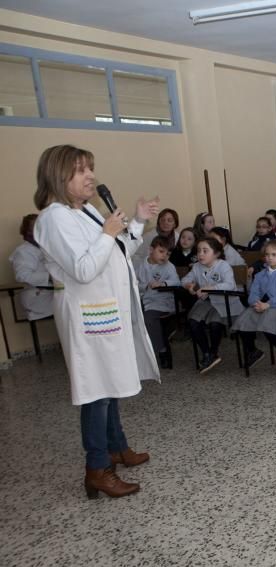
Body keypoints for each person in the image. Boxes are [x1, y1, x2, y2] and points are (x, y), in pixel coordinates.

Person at [32, 144, 159, 499]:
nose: (90, 176)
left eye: (90, 168)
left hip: (106, 312)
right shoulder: (53, 218)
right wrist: (107, 232)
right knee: (96, 392)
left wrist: (134, 222)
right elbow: (84, 269)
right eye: (79, 170)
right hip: (88, 318)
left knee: (111, 386)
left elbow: (118, 251)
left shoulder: (85, 209)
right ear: (58, 176)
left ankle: (118, 447)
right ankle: (97, 469)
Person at [232, 240, 276, 373]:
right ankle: (253, 351)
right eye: (267, 255)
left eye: (274, 254)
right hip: (262, 307)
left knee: (267, 325)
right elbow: (253, 293)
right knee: (243, 321)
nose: (269, 257)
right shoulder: (260, 274)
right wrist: (256, 303)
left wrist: (268, 304)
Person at [182, 236, 243, 373]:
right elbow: (185, 279)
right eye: (198, 251)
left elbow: (229, 285)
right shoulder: (197, 266)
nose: (200, 254)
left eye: (205, 251)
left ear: (216, 253)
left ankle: (213, 352)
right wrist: (189, 286)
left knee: (215, 323)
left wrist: (209, 288)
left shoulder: (223, 265)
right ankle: (207, 353)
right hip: (207, 302)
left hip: (225, 302)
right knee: (193, 321)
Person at [135, 236, 180, 368]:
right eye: (161, 251)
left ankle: (161, 351)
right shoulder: (142, 265)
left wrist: (163, 283)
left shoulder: (169, 266)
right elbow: (134, 283)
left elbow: (177, 282)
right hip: (145, 300)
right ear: (151, 250)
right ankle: (139, 354)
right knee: (134, 316)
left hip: (163, 302)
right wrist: (146, 286)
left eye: (167, 253)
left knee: (148, 317)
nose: (164, 256)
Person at [8, 213, 54, 321]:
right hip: (38, 296)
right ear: (28, 231)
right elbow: (22, 276)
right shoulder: (23, 251)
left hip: (51, 293)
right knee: (71, 306)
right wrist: (51, 277)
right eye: (37, 227)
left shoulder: (45, 247)